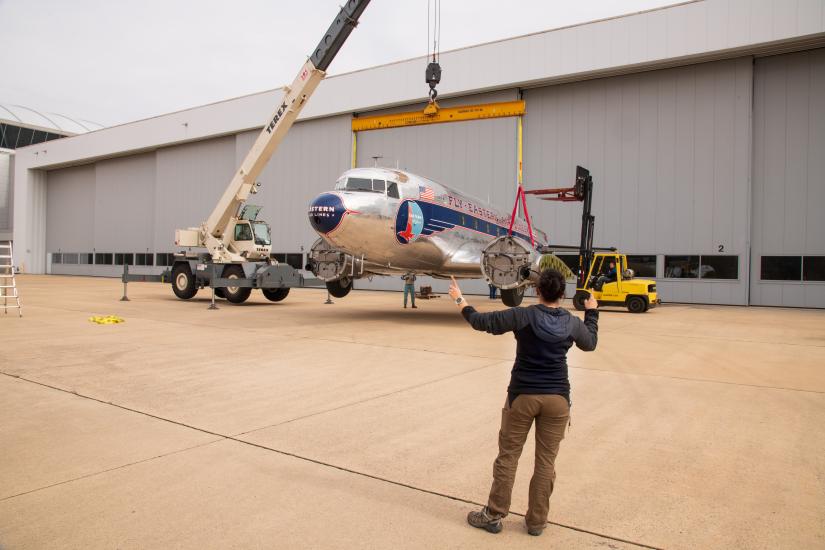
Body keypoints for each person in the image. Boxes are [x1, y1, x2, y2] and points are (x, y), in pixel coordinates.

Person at [448, 270, 599, 536]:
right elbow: (590, 344)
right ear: (562, 294)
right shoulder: (572, 323)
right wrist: (592, 312)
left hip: (523, 397)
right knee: (545, 463)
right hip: (557, 400)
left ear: (537, 290)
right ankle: (537, 521)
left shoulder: (523, 315)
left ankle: (494, 515)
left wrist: (460, 300)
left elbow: (481, 322)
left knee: (508, 457)